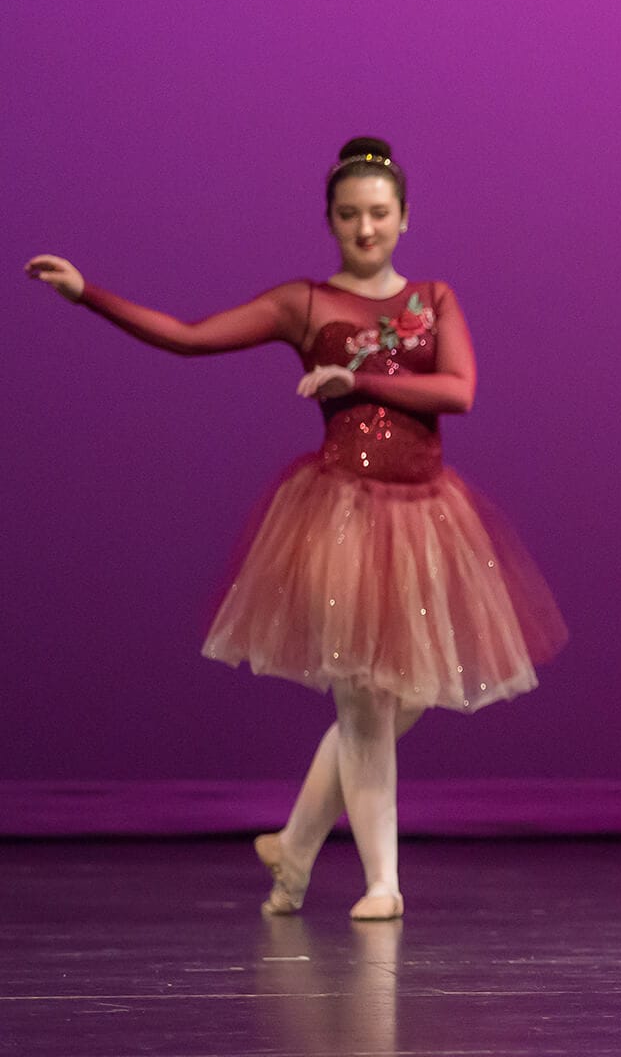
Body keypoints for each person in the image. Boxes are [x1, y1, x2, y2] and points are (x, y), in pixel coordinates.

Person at [26, 137, 568, 920]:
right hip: (341, 521)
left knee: (396, 702)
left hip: (425, 520)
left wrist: (360, 379)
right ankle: (384, 883)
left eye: (380, 214)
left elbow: (460, 391)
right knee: (363, 707)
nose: (366, 229)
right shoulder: (305, 304)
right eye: (349, 215)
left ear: (406, 217)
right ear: (330, 221)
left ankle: (295, 846)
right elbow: (188, 334)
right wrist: (89, 294)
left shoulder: (436, 298)